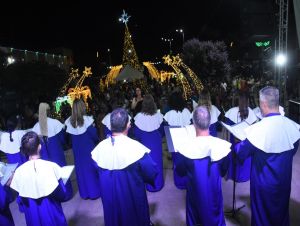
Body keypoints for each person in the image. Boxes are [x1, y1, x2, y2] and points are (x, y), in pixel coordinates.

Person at [235, 86, 300, 226]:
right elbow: (293, 150)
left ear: (263, 104)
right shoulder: (292, 127)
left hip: (262, 184)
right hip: (283, 182)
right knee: (281, 213)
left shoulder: (257, 130)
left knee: (261, 217)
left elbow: (241, 153)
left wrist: (238, 143)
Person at [91, 108, 158, 226]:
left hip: (110, 198)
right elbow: (151, 172)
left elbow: (97, 171)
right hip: (133, 196)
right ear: (128, 125)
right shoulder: (137, 149)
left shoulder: (99, 150)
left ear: (111, 126)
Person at [175, 106, 231, 226]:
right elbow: (224, 170)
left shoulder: (185, 148)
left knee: (194, 214)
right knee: (214, 210)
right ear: (210, 122)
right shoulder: (222, 146)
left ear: (193, 123)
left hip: (194, 193)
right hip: (214, 192)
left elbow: (179, 171)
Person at [10, 131, 69, 226]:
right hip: (51, 210)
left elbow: (20, 201)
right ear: (40, 146)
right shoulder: (51, 166)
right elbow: (61, 194)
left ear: (24, 150)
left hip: (32, 213)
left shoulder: (19, 172)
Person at [65, 99, 101, 199]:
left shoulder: (70, 122)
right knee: (91, 170)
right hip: (88, 148)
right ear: (82, 107)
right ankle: (94, 192)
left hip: (78, 150)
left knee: (81, 171)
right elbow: (94, 135)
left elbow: (70, 139)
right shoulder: (88, 120)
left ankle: (85, 194)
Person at [134, 94, 164, 192]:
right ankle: (158, 184)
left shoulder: (139, 117)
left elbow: (136, 134)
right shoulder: (158, 115)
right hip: (156, 140)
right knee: (158, 162)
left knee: (147, 164)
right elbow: (162, 131)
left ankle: (150, 186)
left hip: (144, 141)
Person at [225, 91, 257, 182]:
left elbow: (228, 125)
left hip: (234, 141)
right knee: (246, 156)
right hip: (246, 142)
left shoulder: (232, 111)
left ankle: (233, 175)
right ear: (247, 101)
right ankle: (245, 175)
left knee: (234, 154)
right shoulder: (251, 112)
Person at [164, 91, 191, 189]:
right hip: (186, 139)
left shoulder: (169, 114)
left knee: (176, 160)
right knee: (186, 159)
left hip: (174, 139)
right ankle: (186, 181)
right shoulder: (187, 112)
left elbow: (166, 128)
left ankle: (179, 182)